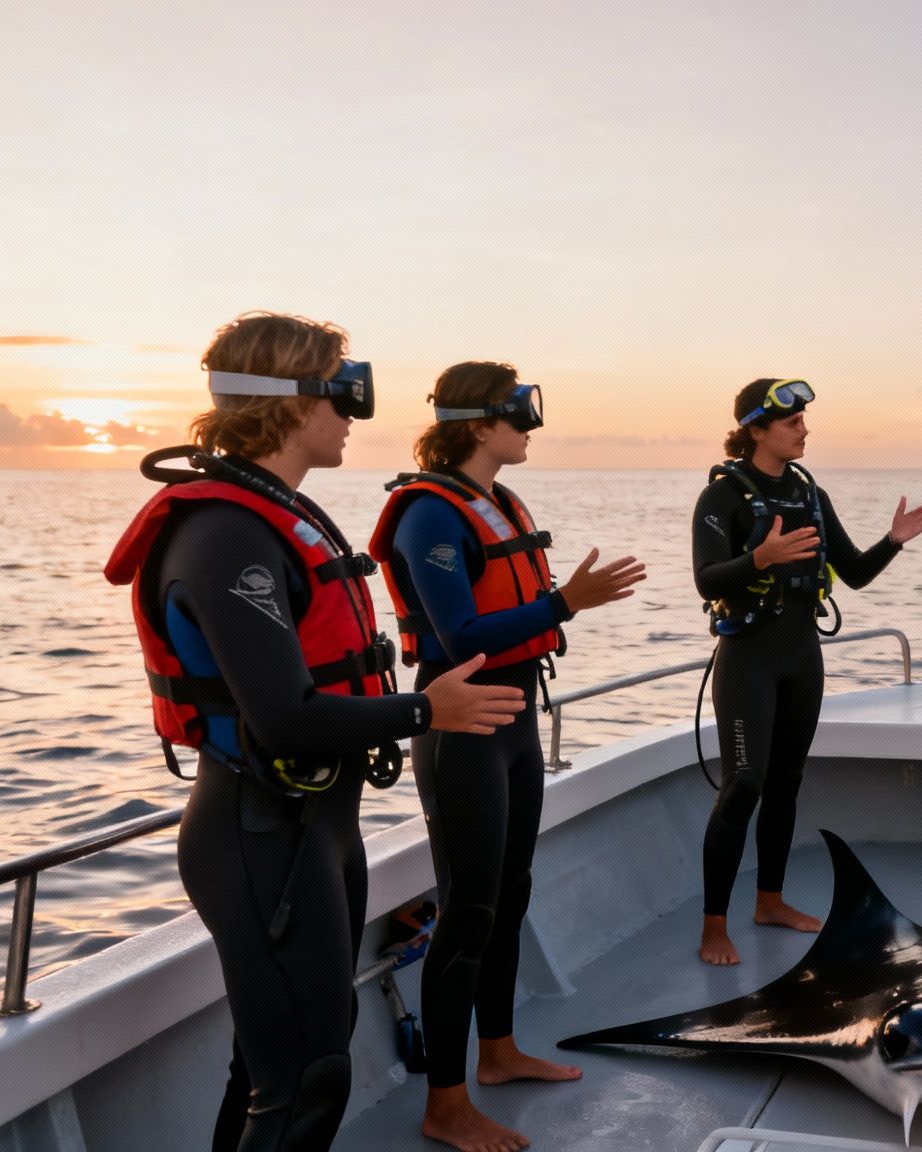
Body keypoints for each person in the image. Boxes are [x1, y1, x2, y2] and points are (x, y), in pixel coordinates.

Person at [104, 313, 527, 1152]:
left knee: (278, 1069)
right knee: (305, 1081)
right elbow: (283, 716)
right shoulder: (226, 533)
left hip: (318, 831)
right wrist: (424, 711)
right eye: (343, 391)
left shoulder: (272, 513)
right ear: (293, 404)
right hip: (260, 835)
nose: (353, 414)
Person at [368, 362, 646, 1152]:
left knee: (512, 891)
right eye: (521, 411)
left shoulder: (498, 502)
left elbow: (512, 623)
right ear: (477, 422)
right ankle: (443, 1104)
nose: (532, 426)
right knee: (468, 910)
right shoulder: (429, 514)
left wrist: (560, 609)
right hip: (464, 727)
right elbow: (460, 637)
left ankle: (497, 1053)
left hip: (517, 715)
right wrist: (565, 603)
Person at [691, 378, 922, 965]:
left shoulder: (809, 494)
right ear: (756, 429)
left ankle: (769, 901)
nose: (804, 429)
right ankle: (713, 926)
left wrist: (893, 541)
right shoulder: (721, 497)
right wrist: (761, 557)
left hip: (802, 657)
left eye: (804, 420)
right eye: (792, 422)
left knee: (786, 782)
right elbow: (706, 579)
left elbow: (853, 572)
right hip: (748, 657)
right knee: (742, 785)